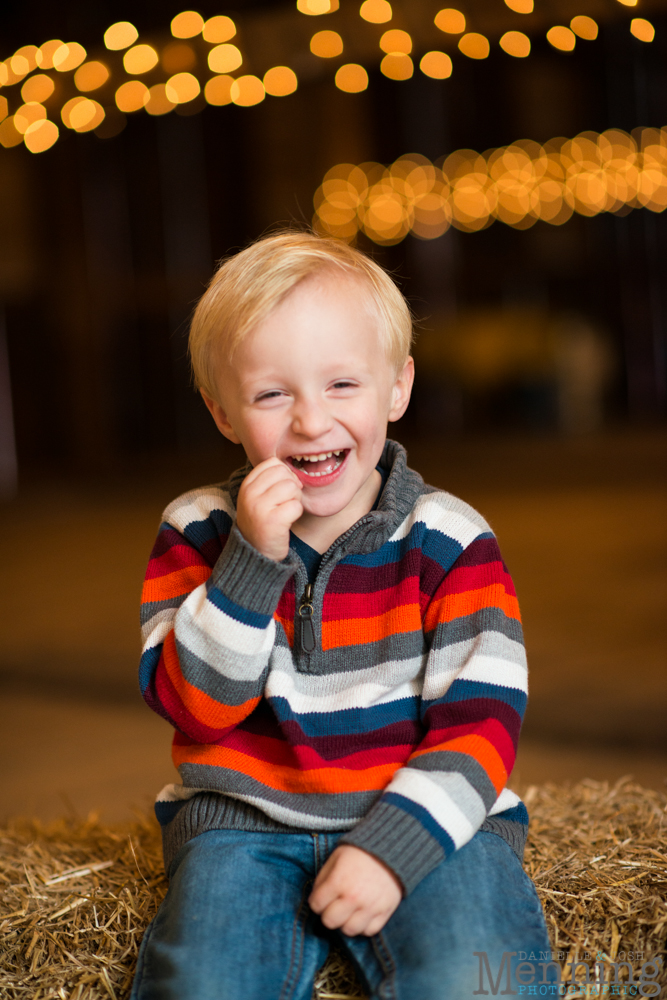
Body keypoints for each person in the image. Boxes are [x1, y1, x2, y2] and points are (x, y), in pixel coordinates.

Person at [131, 231, 552, 1000]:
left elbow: (482, 720)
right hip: (242, 824)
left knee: (474, 979)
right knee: (206, 983)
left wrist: (394, 849)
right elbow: (196, 708)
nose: (309, 421)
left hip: (428, 818)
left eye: (342, 386)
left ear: (397, 388)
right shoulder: (196, 530)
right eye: (271, 394)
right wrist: (252, 564)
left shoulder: (450, 539)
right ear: (222, 412)